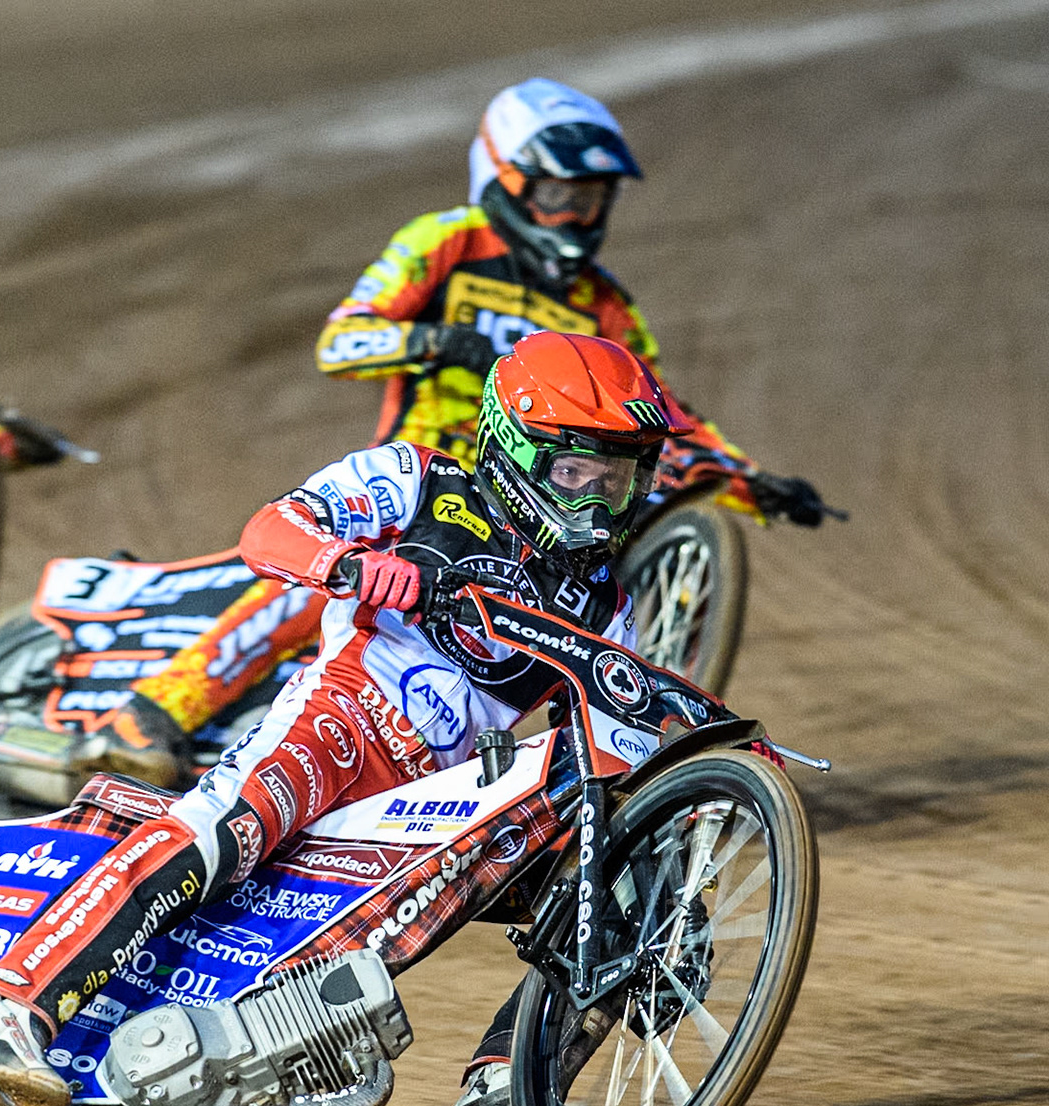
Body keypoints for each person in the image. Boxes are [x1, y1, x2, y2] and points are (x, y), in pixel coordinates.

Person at [0, 331, 683, 1106]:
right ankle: (10, 1012)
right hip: (342, 718)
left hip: (440, 800)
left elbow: (607, 738)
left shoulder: (607, 600)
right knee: (222, 831)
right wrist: (351, 566)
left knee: (627, 894)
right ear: (514, 447)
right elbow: (272, 530)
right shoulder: (420, 479)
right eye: (576, 473)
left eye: (617, 480)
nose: (595, 502)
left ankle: (505, 1094)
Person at [104, 78, 827, 787]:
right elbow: (342, 343)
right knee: (324, 575)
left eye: (590, 200)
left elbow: (657, 415)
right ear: (505, 180)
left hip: (541, 505)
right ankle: (147, 717)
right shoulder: (447, 240)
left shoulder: (605, 306)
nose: (575, 216)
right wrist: (442, 344)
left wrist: (755, 484)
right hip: (421, 484)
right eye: (557, 196)